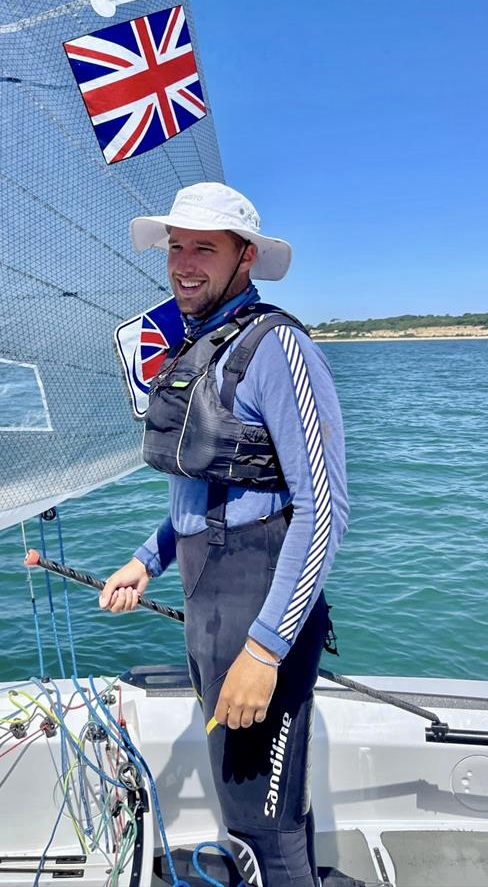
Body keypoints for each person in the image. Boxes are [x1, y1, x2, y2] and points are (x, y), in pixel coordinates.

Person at [100, 182, 348, 887]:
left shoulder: (279, 348)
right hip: (207, 596)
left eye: (203, 248)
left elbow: (322, 507)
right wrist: (149, 557)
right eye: (175, 246)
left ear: (245, 258)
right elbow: (207, 491)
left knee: (265, 820)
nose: (182, 262)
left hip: (256, 598)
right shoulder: (203, 345)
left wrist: (266, 650)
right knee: (240, 803)